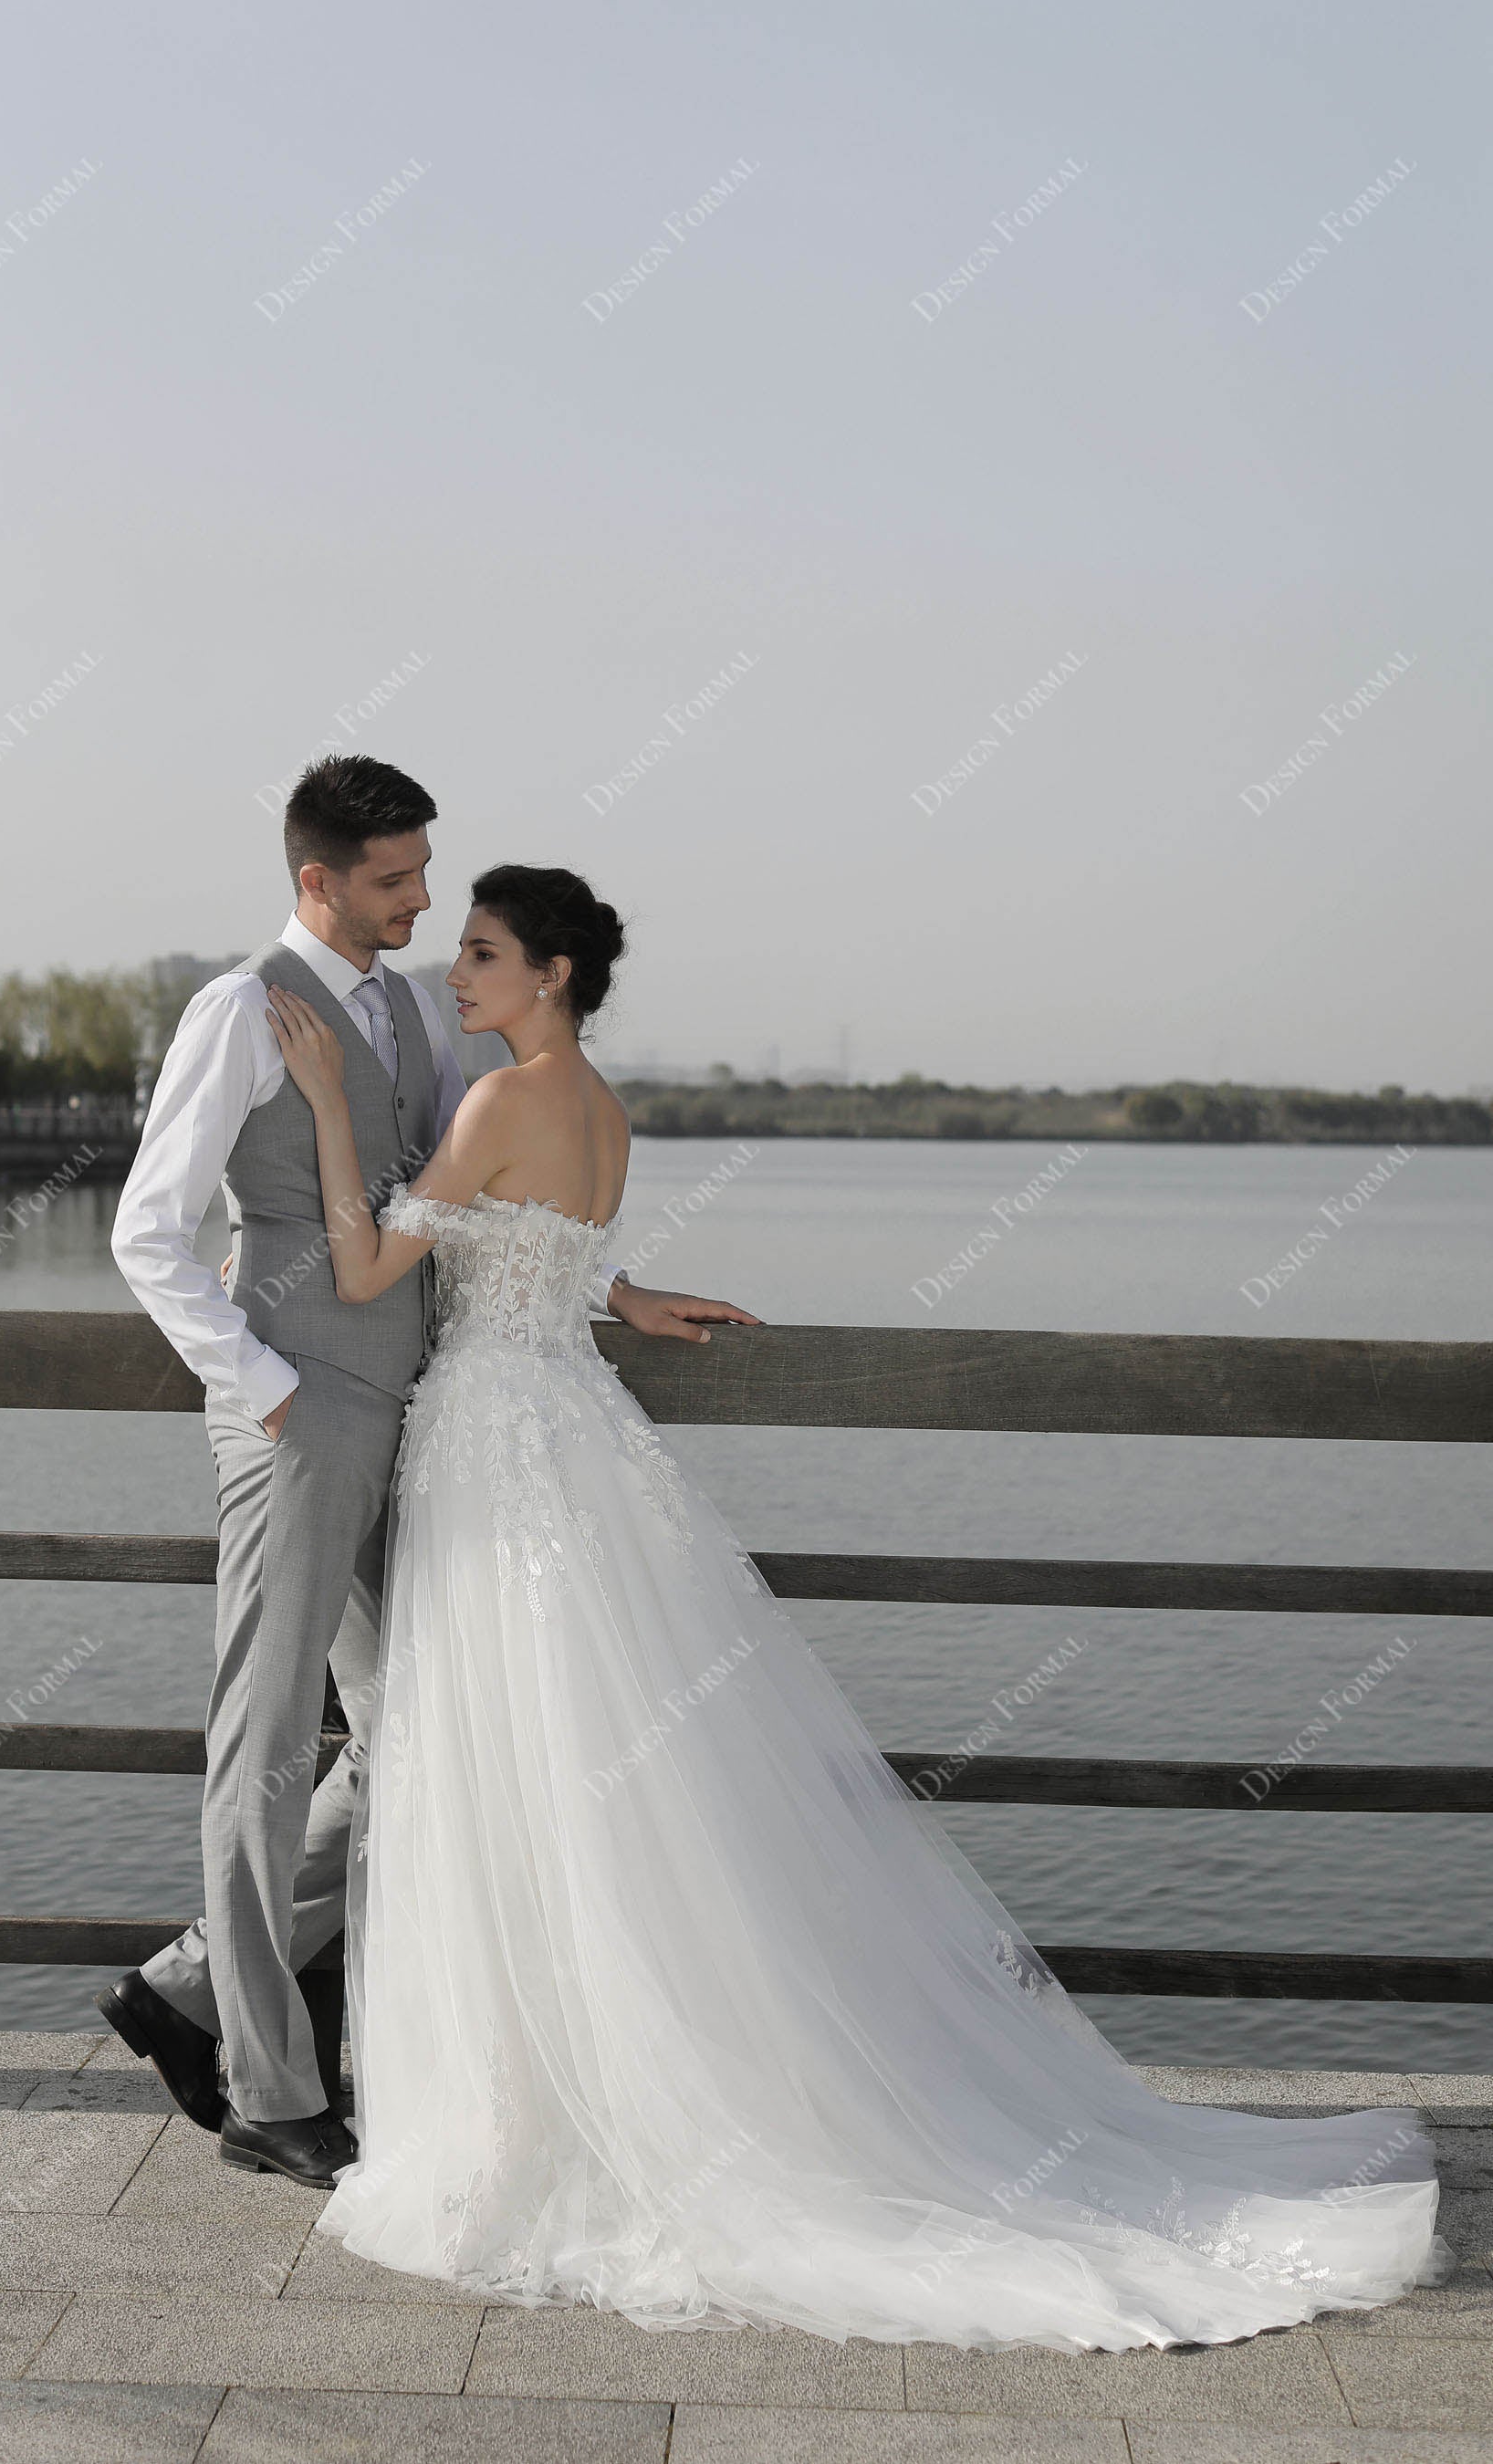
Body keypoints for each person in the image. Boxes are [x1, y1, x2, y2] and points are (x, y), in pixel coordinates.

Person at [266, 861, 1452, 2350]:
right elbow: (553, 1253)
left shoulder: (499, 1099)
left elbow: (368, 1263)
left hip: (494, 1450)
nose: (458, 973)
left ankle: (541, 2110)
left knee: (516, 1766)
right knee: (600, 1772)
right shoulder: (606, 1110)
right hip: (566, 1435)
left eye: (485, 952)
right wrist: (628, 1297)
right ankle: (595, 2083)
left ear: (551, 974)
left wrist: (326, 1107)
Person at [99, 758, 757, 2183]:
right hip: (296, 1411)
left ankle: (189, 1989)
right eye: (394, 881)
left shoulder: (408, 1011)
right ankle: (272, 2091)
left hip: (418, 1415)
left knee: (417, 1731)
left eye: (424, 879)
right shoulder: (240, 1011)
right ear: (318, 878)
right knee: (269, 1746)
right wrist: (262, 1387)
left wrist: (612, 1286)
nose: (417, 903)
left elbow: (487, 1200)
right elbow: (147, 1232)